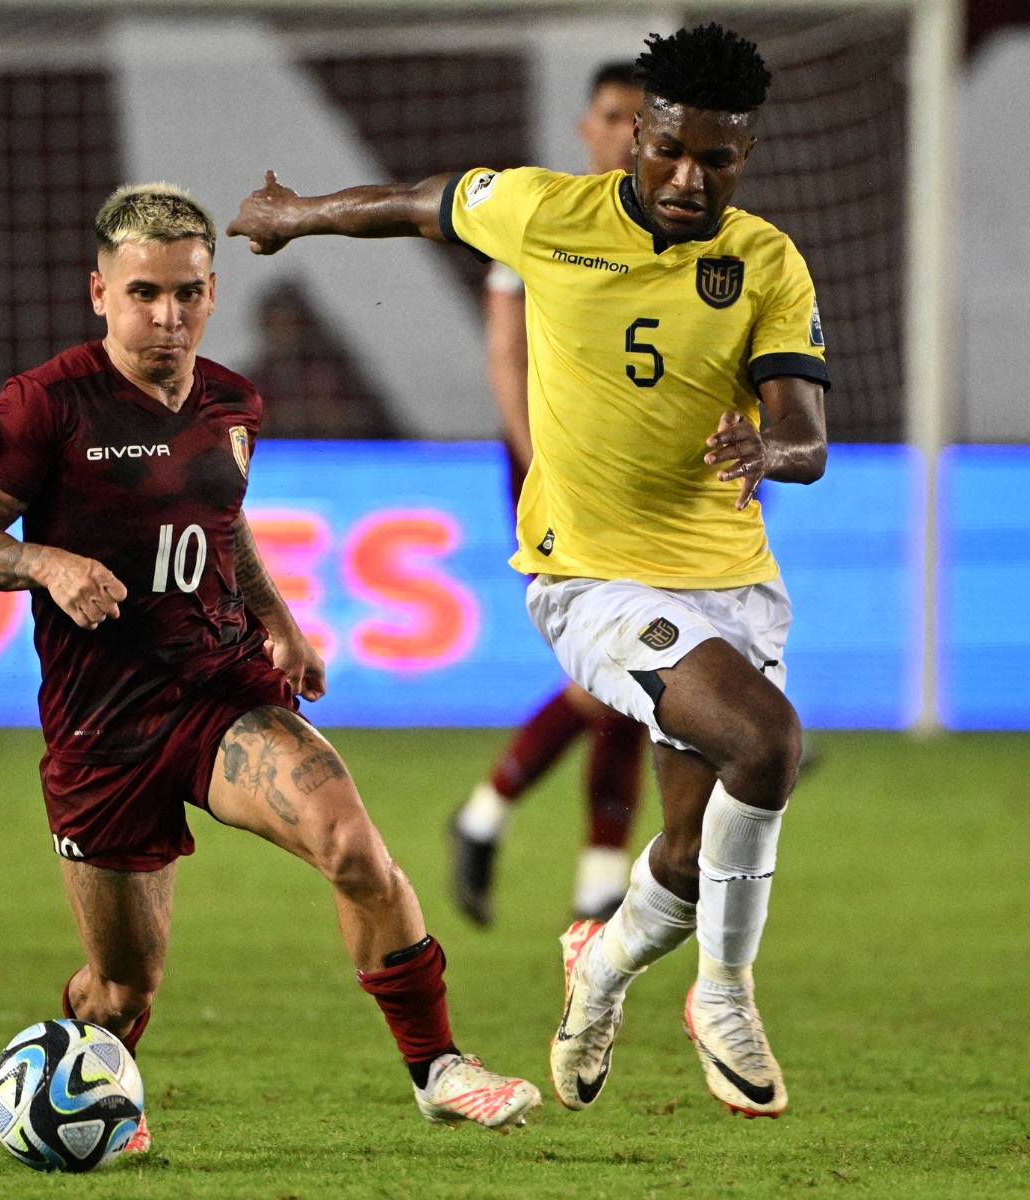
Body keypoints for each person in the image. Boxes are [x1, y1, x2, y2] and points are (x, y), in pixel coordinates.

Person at [228, 23, 828, 1119]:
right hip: (592, 580)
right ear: (636, 135)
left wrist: (770, 449)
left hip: (729, 585)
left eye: (719, 160)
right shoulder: (550, 214)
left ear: (745, 157)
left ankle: (597, 967)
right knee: (769, 744)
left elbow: (805, 429)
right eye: (670, 150)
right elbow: (415, 201)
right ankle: (725, 998)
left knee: (693, 860)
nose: (689, 178)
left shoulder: (765, 263)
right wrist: (295, 215)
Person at [0, 183, 542, 1151]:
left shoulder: (231, 402)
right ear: (99, 293)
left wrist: (277, 618)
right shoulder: (43, 404)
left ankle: (437, 1068)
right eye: (143, 294)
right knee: (123, 989)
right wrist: (42, 563)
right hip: (103, 728)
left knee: (350, 845)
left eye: (187, 294)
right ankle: (85, 1083)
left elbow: (223, 520)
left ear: (212, 293)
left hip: (219, 695)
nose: (166, 318)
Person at [451, 61, 649, 929]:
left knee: (639, 660)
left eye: (643, 119)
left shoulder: (674, 229)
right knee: (630, 662)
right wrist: (544, 467)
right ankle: (574, 858)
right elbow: (505, 357)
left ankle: (562, 856)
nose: (628, 134)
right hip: (554, 473)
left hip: (641, 472)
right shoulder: (544, 219)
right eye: (614, 115)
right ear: (586, 127)